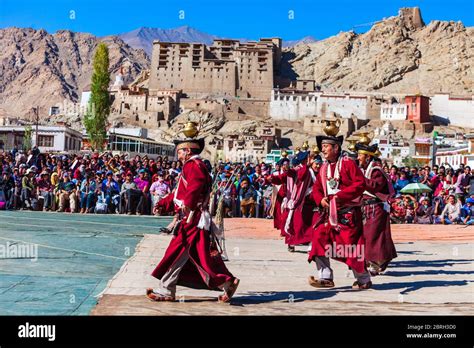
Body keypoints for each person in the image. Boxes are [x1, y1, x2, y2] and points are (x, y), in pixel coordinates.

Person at [147, 127, 239, 302]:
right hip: (192, 218)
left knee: (179, 253)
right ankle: (227, 283)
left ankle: (167, 290)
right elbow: (178, 194)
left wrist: (188, 206)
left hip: (192, 219)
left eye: (180, 151)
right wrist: (162, 204)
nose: (178, 154)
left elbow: (193, 189)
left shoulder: (193, 165)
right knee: (195, 256)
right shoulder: (193, 166)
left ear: (188, 151)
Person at [308, 129, 372, 290]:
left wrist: (339, 197)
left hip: (348, 214)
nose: (323, 149)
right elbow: (316, 189)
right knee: (319, 239)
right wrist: (320, 199)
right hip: (329, 215)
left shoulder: (348, 164)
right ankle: (325, 276)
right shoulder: (323, 168)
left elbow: (359, 184)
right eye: (322, 146)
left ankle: (364, 279)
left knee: (350, 248)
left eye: (326, 146)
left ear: (336, 148)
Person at [356, 142, 397, 276]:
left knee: (373, 236)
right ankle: (380, 260)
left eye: (360, 156)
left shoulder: (376, 171)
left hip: (376, 207)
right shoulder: (365, 170)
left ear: (367, 157)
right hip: (367, 207)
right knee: (371, 236)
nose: (358, 158)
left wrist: (360, 179)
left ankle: (374, 263)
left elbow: (375, 186)